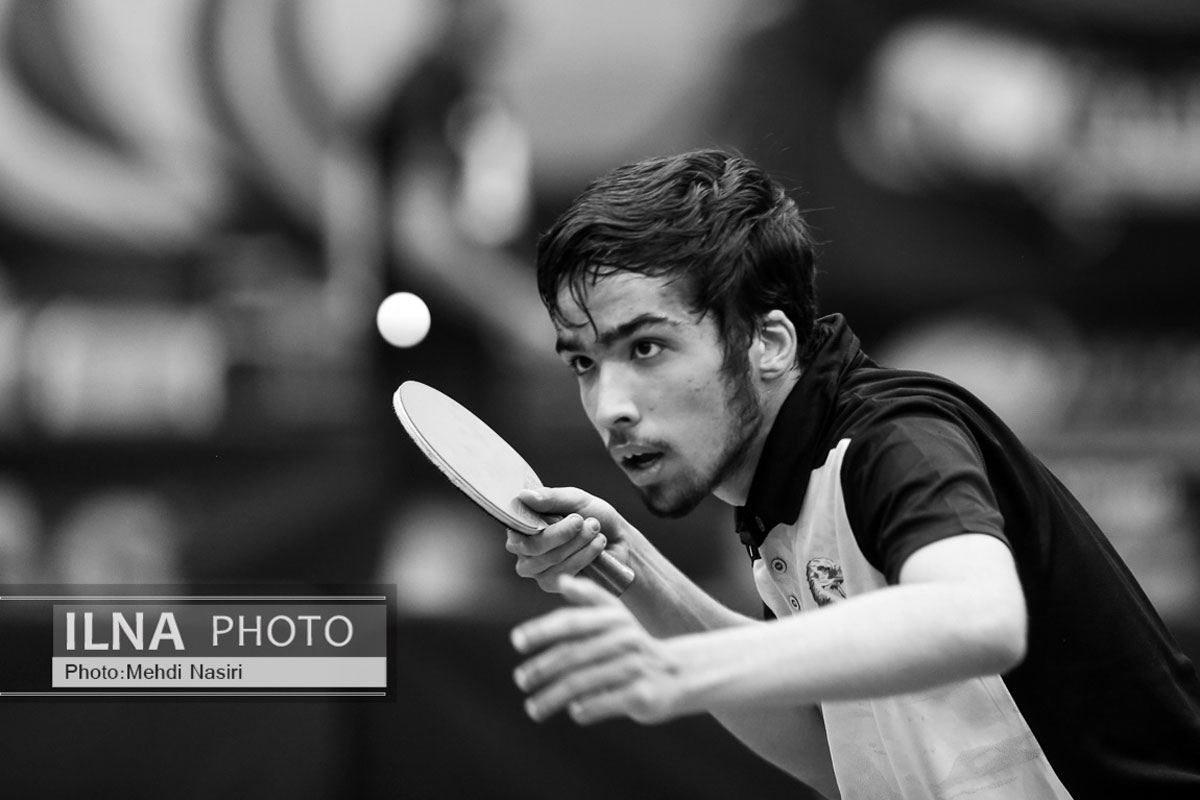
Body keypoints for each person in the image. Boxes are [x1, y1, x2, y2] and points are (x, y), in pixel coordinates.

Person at [502, 149, 1200, 799]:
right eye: (584, 362)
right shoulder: (783, 495)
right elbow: (831, 750)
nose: (610, 407)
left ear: (768, 342)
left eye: (647, 348)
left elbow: (980, 616)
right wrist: (632, 570)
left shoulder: (894, 441)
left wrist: (681, 669)